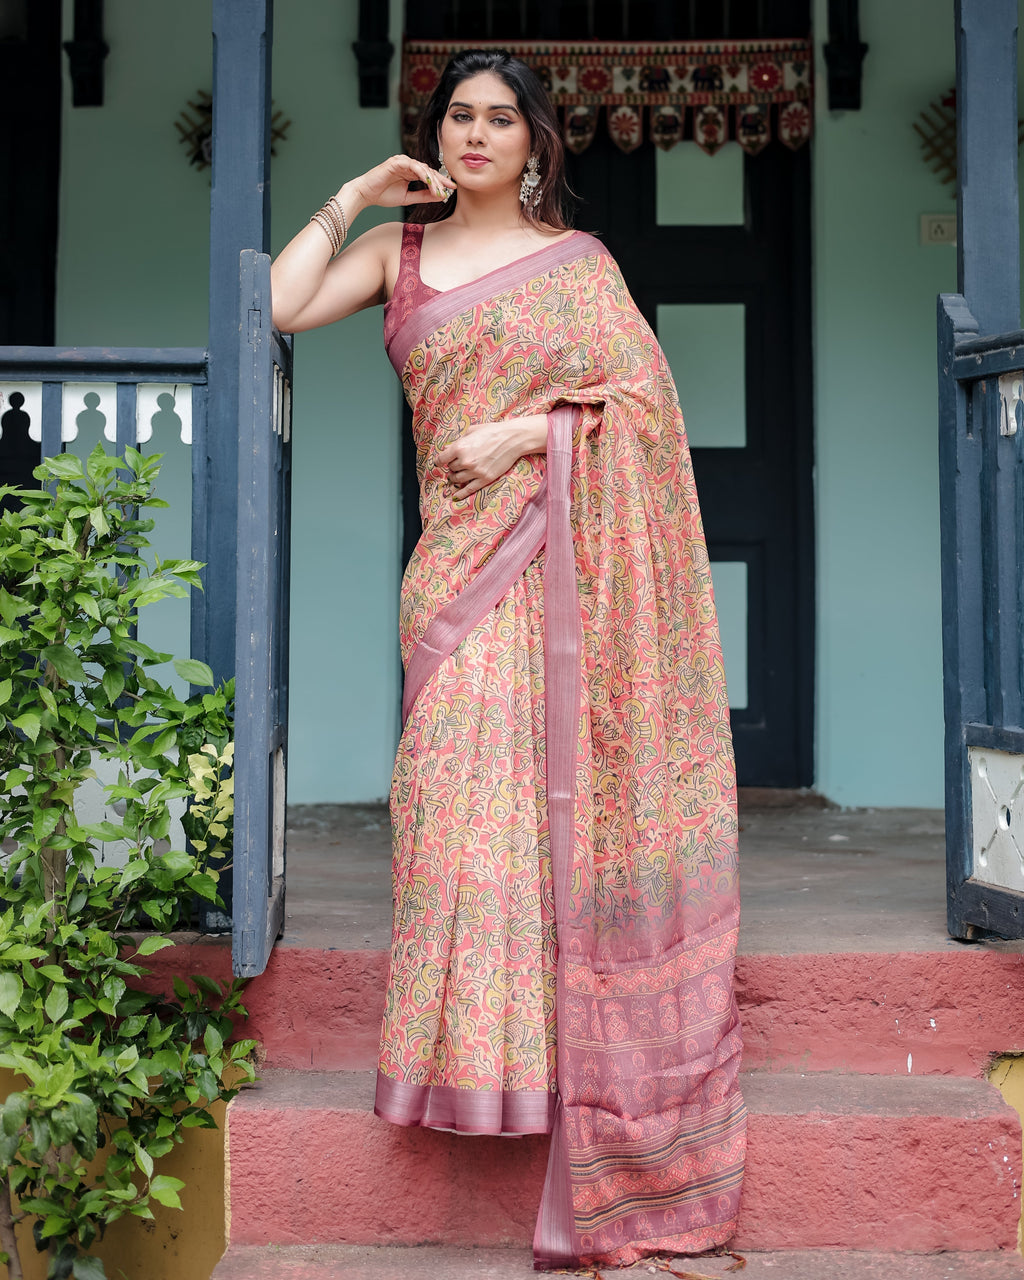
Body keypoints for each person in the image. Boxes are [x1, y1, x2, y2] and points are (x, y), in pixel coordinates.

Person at [271, 48, 745, 1272]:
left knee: (543, 826)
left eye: (500, 119)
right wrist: (357, 196)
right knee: (451, 808)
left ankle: (552, 1072)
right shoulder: (401, 256)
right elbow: (275, 304)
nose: (475, 136)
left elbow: (644, 410)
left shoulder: (583, 270)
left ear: (537, 141)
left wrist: (530, 428)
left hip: (556, 568)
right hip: (454, 579)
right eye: (456, 117)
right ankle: (470, 1066)